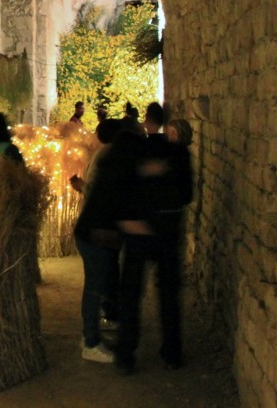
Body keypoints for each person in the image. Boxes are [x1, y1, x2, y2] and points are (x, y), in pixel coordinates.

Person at [113, 103, 193, 375]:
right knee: (169, 294)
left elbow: (124, 188)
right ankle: (172, 353)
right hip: (169, 229)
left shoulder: (137, 151)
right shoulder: (180, 154)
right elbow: (187, 195)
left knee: (131, 293)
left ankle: (126, 354)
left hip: (139, 228)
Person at [71, 117, 126, 363]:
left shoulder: (106, 158)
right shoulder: (110, 160)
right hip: (94, 234)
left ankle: (91, 336)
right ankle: (90, 342)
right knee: (94, 287)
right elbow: (101, 198)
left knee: (97, 284)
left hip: (92, 232)